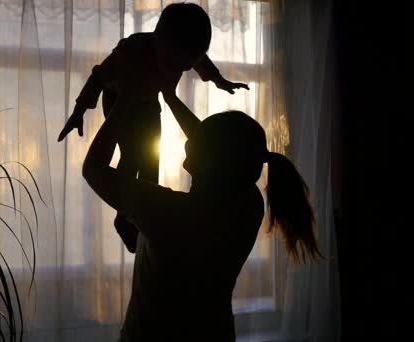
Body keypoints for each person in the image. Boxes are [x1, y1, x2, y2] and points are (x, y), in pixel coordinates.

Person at [81, 85, 322, 341]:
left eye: (197, 143)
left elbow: (93, 169)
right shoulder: (248, 203)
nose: (189, 144)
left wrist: (126, 99)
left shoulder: (168, 211)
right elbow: (225, 152)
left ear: (207, 159)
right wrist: (172, 99)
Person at [58, 3, 248, 253]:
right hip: (120, 99)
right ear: (156, 40)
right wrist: (79, 109)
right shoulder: (131, 51)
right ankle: (124, 213)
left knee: (150, 156)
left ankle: (142, 212)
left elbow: (203, 62)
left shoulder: (184, 51)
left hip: (148, 102)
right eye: (170, 61)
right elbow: (100, 76)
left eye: (184, 67)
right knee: (132, 155)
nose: (173, 70)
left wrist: (218, 80)